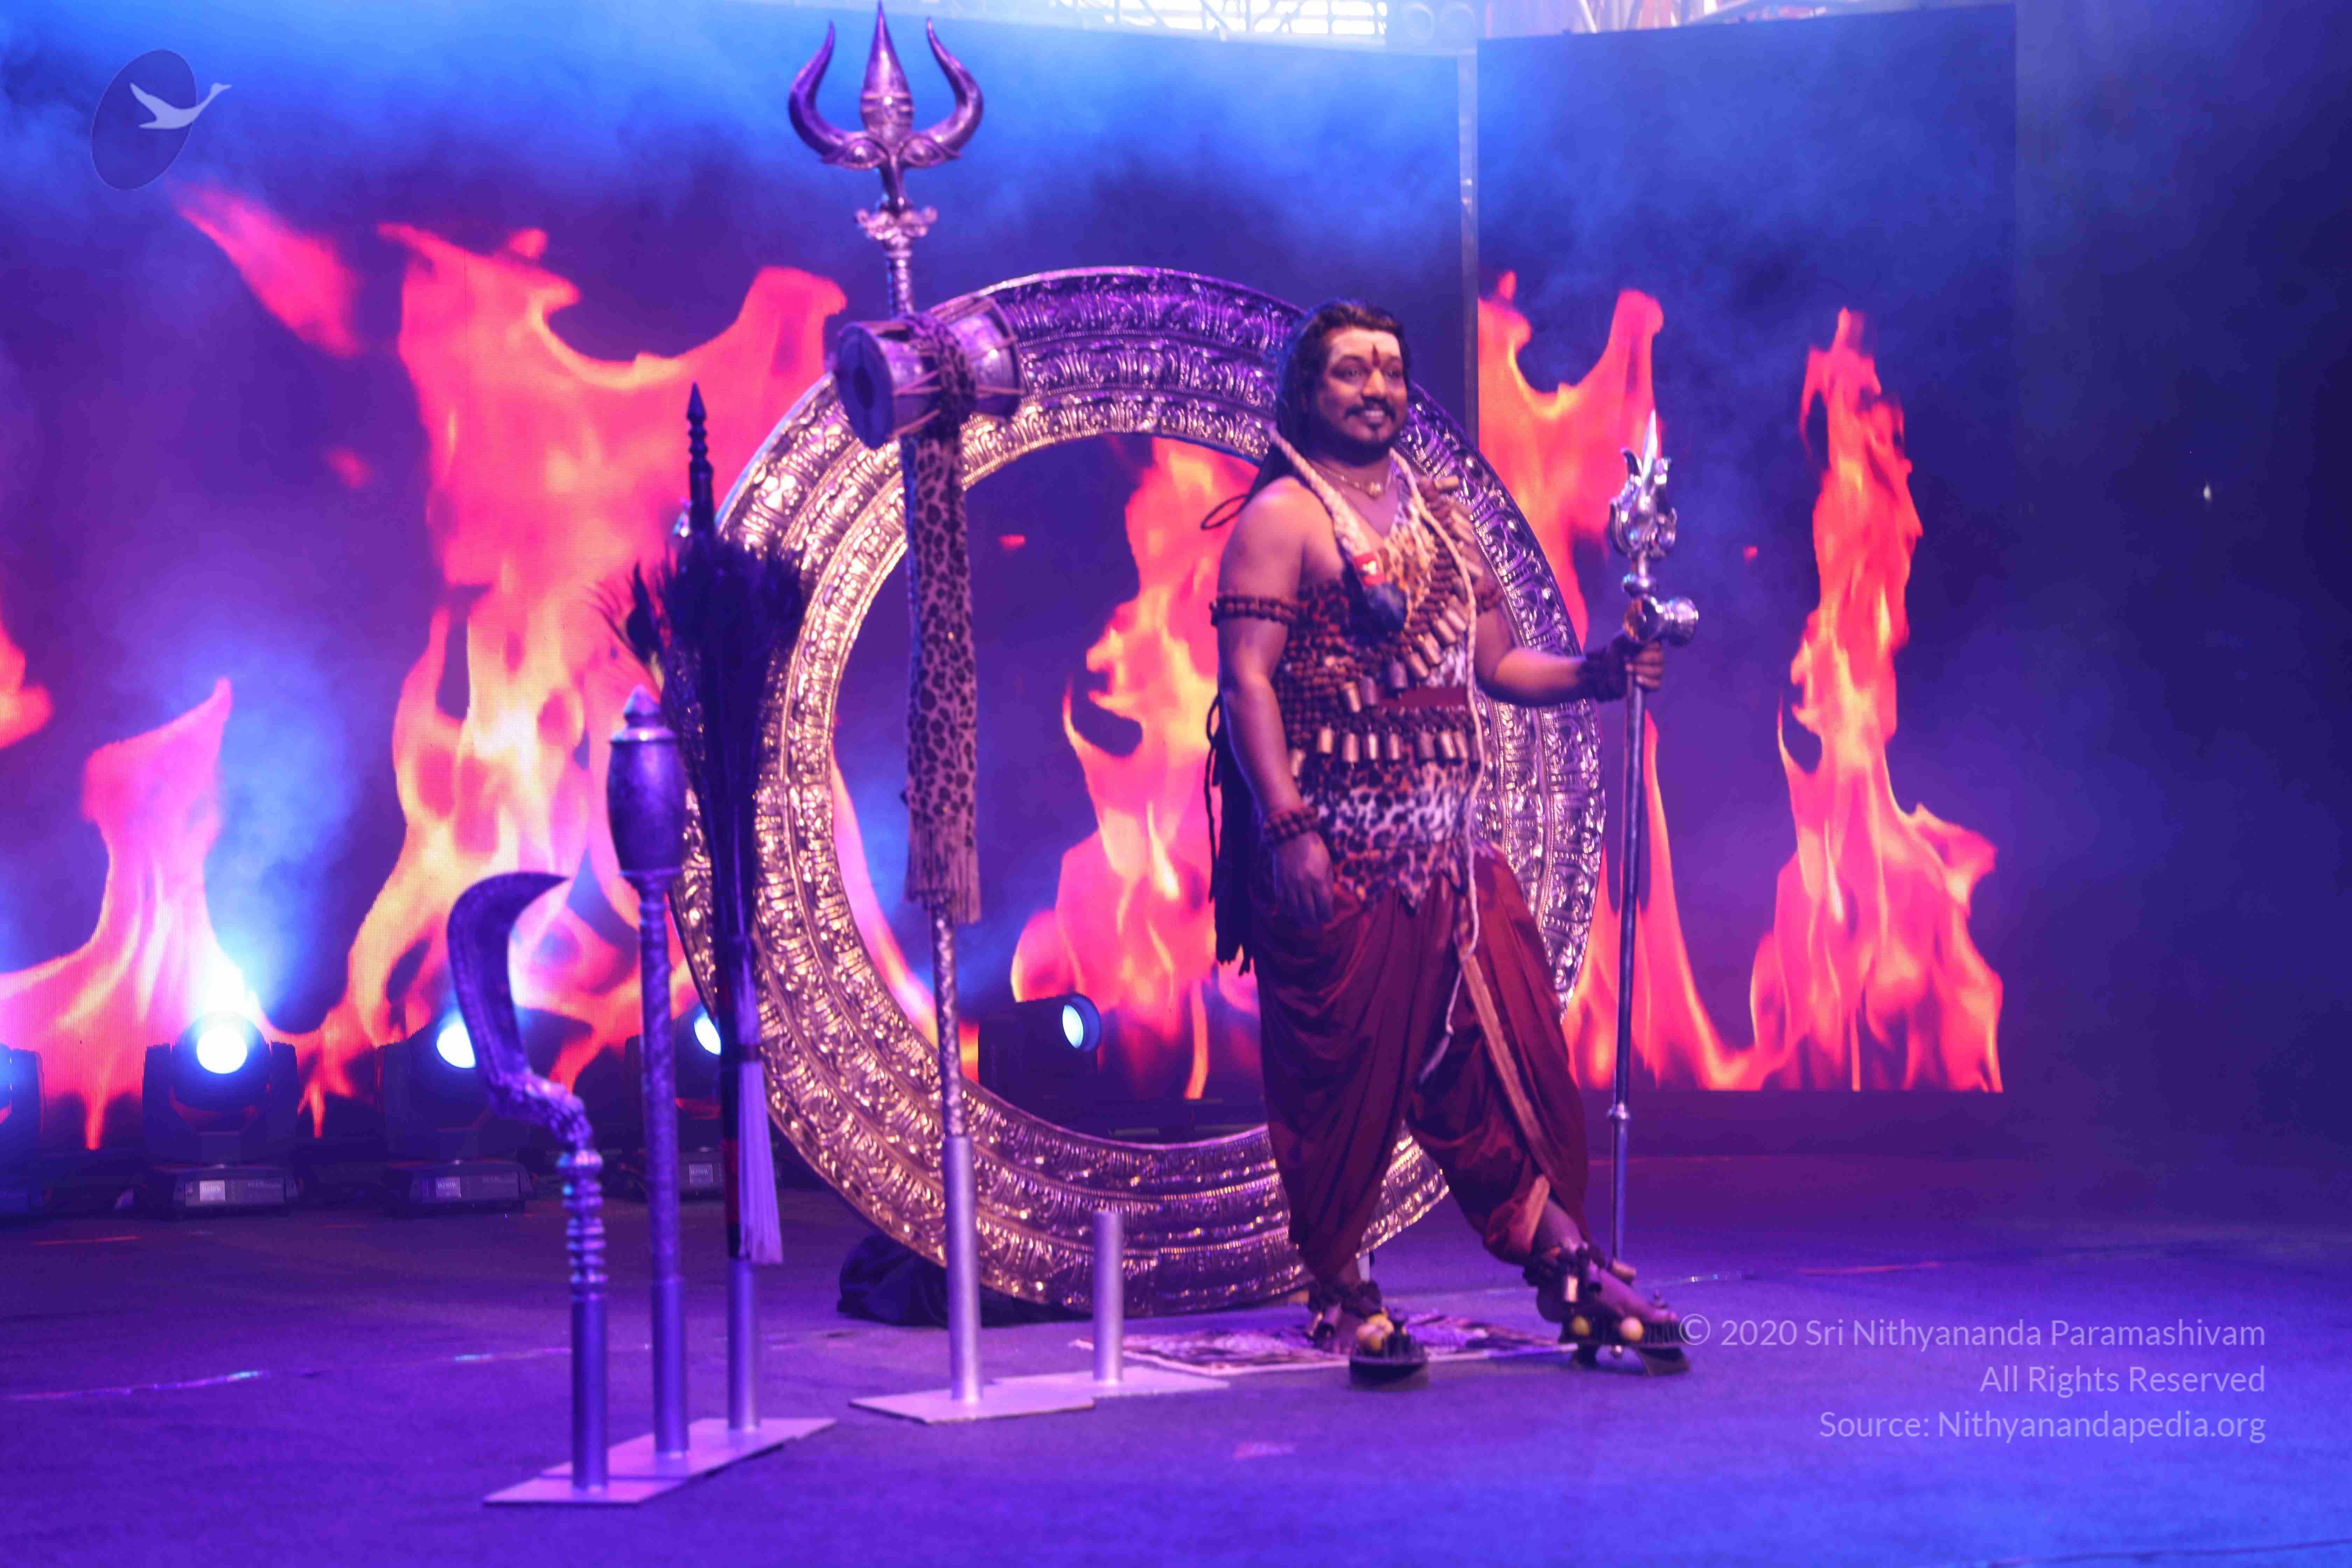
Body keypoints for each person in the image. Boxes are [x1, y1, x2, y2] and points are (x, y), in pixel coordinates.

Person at [1208, 299, 1689, 1375]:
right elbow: (1245, 685)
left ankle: (1567, 1264)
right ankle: (1342, 1290)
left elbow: (1500, 668)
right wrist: (1286, 827)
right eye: (1350, 371)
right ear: (1308, 391)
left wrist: (1603, 672)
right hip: (1333, 854)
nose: (1375, 388)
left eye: (1390, 369)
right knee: (1338, 1088)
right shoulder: (1282, 518)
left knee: (1503, 1069)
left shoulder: (1445, 521)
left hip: (1452, 864)